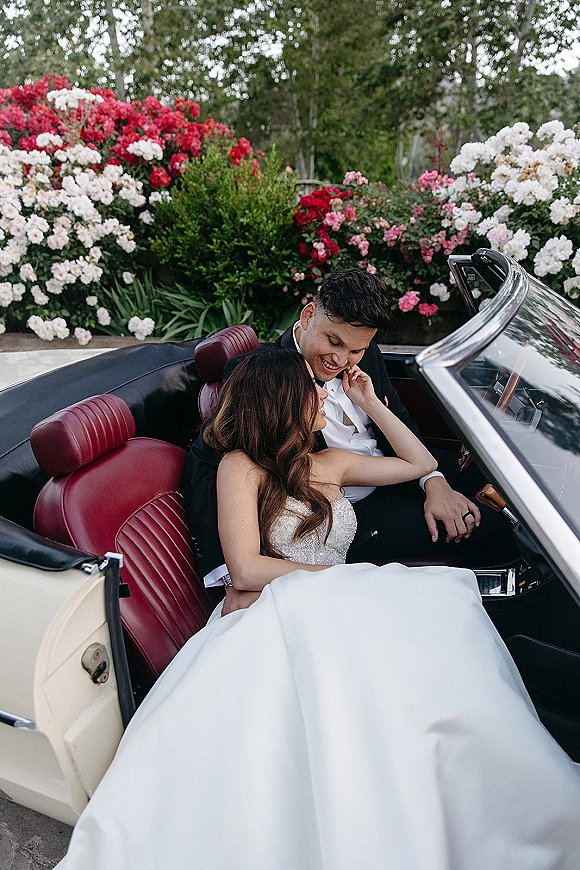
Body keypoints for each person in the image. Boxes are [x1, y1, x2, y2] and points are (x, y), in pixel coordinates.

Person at [56, 349, 580, 870]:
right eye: (314, 390)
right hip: (280, 605)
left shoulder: (328, 462)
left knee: (444, 620)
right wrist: (350, 580)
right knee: (414, 629)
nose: (324, 395)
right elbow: (244, 570)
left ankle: (461, 792)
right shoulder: (239, 466)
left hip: (336, 599)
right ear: (285, 401)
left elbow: (421, 464)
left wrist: (371, 403)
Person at [182, 268, 516, 593]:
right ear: (310, 314)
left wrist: (435, 483)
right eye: (333, 341)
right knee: (491, 526)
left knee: (508, 482)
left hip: (387, 468)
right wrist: (228, 576)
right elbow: (210, 455)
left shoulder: (363, 351)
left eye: (355, 350)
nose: (342, 360)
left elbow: (402, 421)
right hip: (346, 509)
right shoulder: (267, 373)